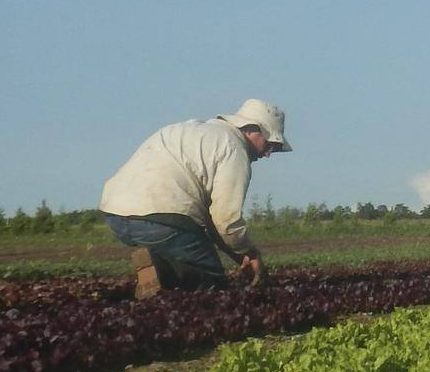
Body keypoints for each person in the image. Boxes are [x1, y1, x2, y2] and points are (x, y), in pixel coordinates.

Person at [101, 99, 291, 298]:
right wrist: (251, 253)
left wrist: (240, 255)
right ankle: (161, 269)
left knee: (181, 256)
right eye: (270, 144)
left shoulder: (190, 129)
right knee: (210, 283)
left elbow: (212, 223)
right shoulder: (234, 149)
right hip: (162, 218)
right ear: (252, 129)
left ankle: (155, 274)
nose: (268, 153)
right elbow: (226, 219)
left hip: (116, 213)